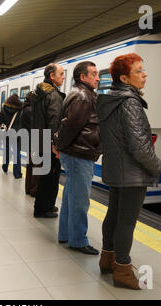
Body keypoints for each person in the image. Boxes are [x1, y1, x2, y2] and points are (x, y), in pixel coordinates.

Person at [96, 53, 161, 290]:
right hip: (132, 173)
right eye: (139, 70)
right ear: (125, 78)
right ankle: (123, 270)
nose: (144, 74)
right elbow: (140, 147)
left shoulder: (110, 99)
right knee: (126, 222)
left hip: (116, 169)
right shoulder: (130, 103)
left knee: (113, 215)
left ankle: (108, 258)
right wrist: (157, 167)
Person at [54, 61, 102, 255]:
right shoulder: (83, 96)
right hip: (79, 154)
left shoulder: (78, 93)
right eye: (94, 74)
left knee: (70, 197)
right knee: (80, 200)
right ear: (83, 77)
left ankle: (65, 234)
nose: (98, 78)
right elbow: (70, 126)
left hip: (76, 153)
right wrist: (58, 145)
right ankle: (78, 240)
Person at [33, 63, 65, 218]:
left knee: (45, 175)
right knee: (51, 177)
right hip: (49, 144)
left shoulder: (39, 93)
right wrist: (55, 145)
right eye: (61, 74)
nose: (63, 77)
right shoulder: (53, 96)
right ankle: (43, 208)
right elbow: (55, 122)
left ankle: (46, 205)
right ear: (52, 76)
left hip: (40, 140)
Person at [0, 94, 23, 179]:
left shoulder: (4, 110)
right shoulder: (20, 110)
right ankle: (17, 173)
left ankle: (5, 167)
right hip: (17, 134)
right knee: (16, 153)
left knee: (7, 152)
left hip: (6, 134)